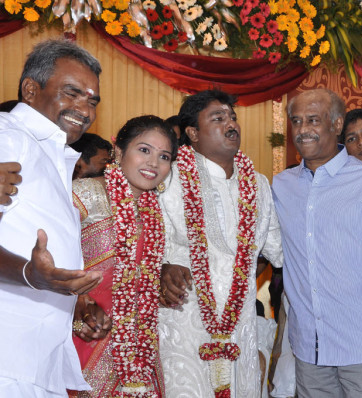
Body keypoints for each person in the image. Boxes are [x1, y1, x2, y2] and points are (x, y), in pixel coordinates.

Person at [272, 88, 362, 397]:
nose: (303, 129)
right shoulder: (282, 185)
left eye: (313, 120)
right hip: (309, 346)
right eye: (297, 121)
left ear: (336, 125)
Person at [158, 89, 283, 397]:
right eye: (218, 118)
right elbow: (141, 239)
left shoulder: (259, 184)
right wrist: (161, 267)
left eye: (233, 117)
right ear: (192, 133)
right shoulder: (168, 177)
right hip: (182, 324)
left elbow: (280, 251)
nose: (231, 125)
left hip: (239, 327)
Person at [0, 39, 103, 397]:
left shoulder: (52, 151)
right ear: (31, 89)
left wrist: (71, 298)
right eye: (72, 93)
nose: (85, 109)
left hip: (36, 360)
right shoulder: (10, 137)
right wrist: (32, 274)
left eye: (92, 100)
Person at [70, 115, 177, 396]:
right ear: (118, 152)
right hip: (83, 333)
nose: (153, 163)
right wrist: (75, 299)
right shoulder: (82, 195)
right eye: (144, 150)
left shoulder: (155, 214)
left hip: (139, 350)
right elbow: (41, 258)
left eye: (164, 156)